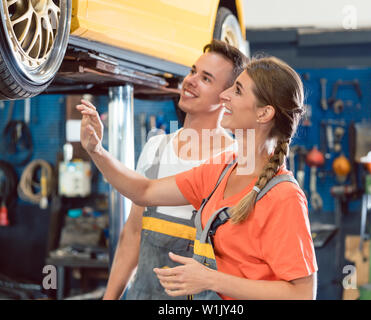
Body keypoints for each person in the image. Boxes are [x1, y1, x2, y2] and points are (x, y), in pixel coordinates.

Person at [77, 56, 318, 300]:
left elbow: (302, 294)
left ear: (264, 113)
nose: (224, 96)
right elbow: (145, 191)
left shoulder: (284, 197)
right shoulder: (222, 170)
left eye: (237, 90)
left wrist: (212, 279)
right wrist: (97, 151)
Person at [100, 40, 248, 300]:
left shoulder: (236, 163)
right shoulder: (156, 148)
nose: (190, 80)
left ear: (225, 97)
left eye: (206, 78)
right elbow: (134, 233)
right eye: (193, 71)